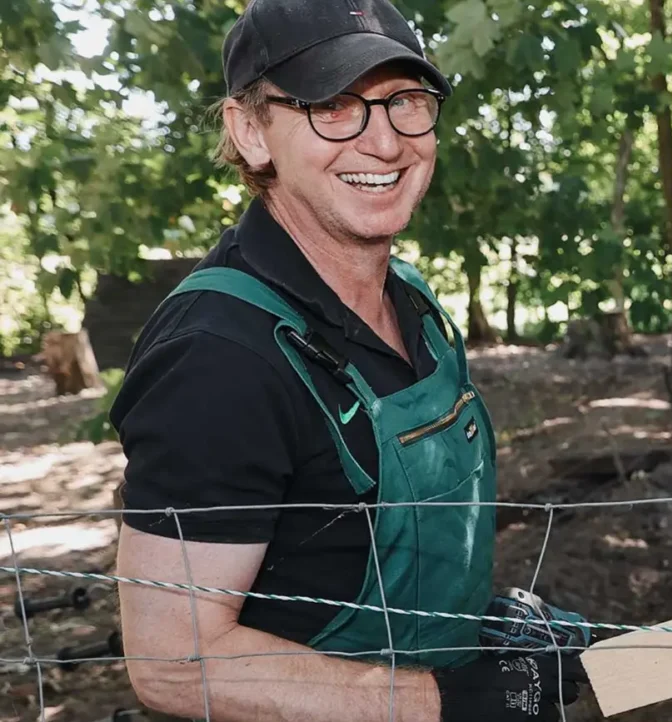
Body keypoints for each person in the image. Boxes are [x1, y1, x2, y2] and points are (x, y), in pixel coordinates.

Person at [110, 1, 585, 721]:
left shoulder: (414, 301)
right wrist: (445, 700)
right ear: (251, 131)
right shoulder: (217, 357)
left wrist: (470, 625)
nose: (385, 142)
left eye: (406, 102)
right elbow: (172, 664)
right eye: (333, 106)